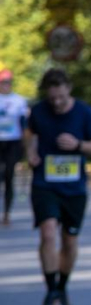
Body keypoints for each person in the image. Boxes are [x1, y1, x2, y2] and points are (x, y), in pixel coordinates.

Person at [24, 69, 91, 305]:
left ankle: (62, 288)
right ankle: (50, 291)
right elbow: (29, 133)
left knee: (69, 241)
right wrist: (30, 151)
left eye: (60, 97)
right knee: (48, 234)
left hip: (74, 188)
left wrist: (79, 145)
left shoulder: (85, 113)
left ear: (68, 89)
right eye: (52, 98)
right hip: (44, 184)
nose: (57, 103)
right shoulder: (38, 111)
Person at [0, 69, 29, 226]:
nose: (6, 85)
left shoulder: (19, 100)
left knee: (9, 177)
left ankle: (6, 214)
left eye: (8, 82)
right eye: (3, 82)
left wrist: (26, 146)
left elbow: (24, 124)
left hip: (13, 142)